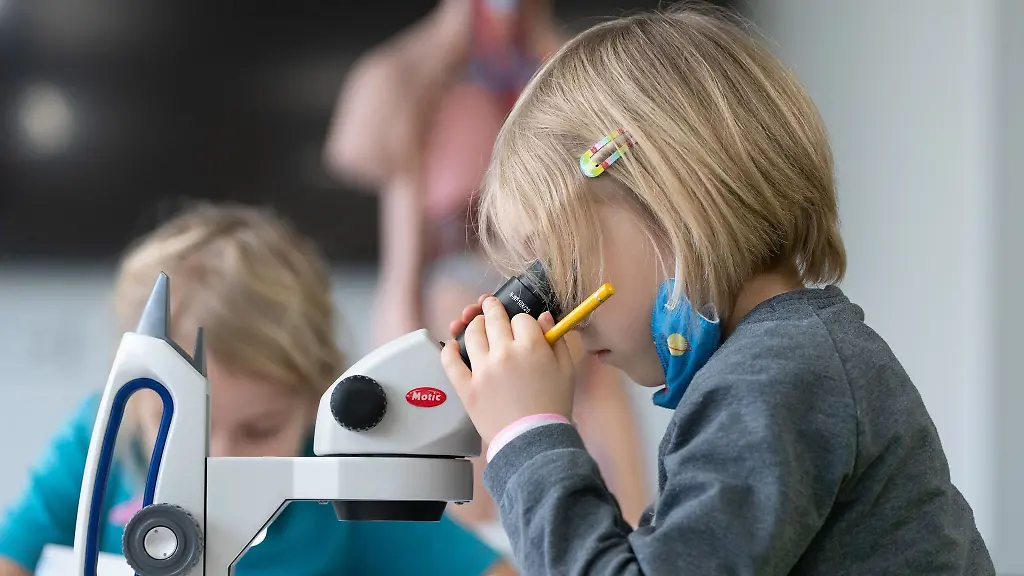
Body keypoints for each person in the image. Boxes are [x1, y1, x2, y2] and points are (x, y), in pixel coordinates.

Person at [438, 5, 996, 575]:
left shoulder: (776, 377)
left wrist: (526, 433)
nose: (568, 313)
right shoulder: (781, 364)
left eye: (565, 259)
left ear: (668, 202)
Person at [0, 203, 515, 576]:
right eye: (177, 428)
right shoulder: (99, 439)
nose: (217, 460)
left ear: (317, 402)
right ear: (130, 395)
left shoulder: (342, 480)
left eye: (259, 429)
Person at [323, 0, 650, 526]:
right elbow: (357, 149)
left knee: (593, 400)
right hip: (456, 269)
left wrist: (542, 40)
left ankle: (632, 539)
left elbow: (618, 140)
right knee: (463, 402)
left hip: (554, 267)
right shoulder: (412, 73)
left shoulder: (556, 60)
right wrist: (445, 39)